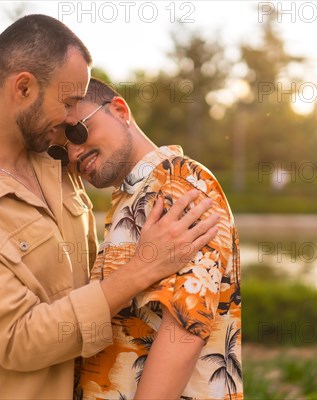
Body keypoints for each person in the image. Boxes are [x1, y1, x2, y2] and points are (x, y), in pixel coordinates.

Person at [0, 15, 218, 399]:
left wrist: (169, 178)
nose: (74, 118)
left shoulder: (54, 160)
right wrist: (141, 270)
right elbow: (18, 339)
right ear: (23, 87)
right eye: (69, 100)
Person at [54, 78, 242, 399]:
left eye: (77, 131)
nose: (73, 153)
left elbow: (184, 329)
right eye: (60, 150)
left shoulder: (180, 181)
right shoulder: (128, 198)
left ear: (120, 110)